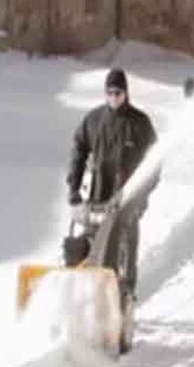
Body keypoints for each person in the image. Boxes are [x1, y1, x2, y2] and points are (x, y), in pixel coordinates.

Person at [66, 68, 159, 297]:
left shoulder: (139, 123)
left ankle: (125, 298)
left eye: (118, 92)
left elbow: (155, 163)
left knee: (125, 246)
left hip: (127, 200)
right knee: (89, 243)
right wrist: (73, 188)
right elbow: (78, 150)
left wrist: (141, 197)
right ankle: (83, 292)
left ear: (126, 93)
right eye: (110, 93)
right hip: (98, 197)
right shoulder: (94, 120)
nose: (114, 97)